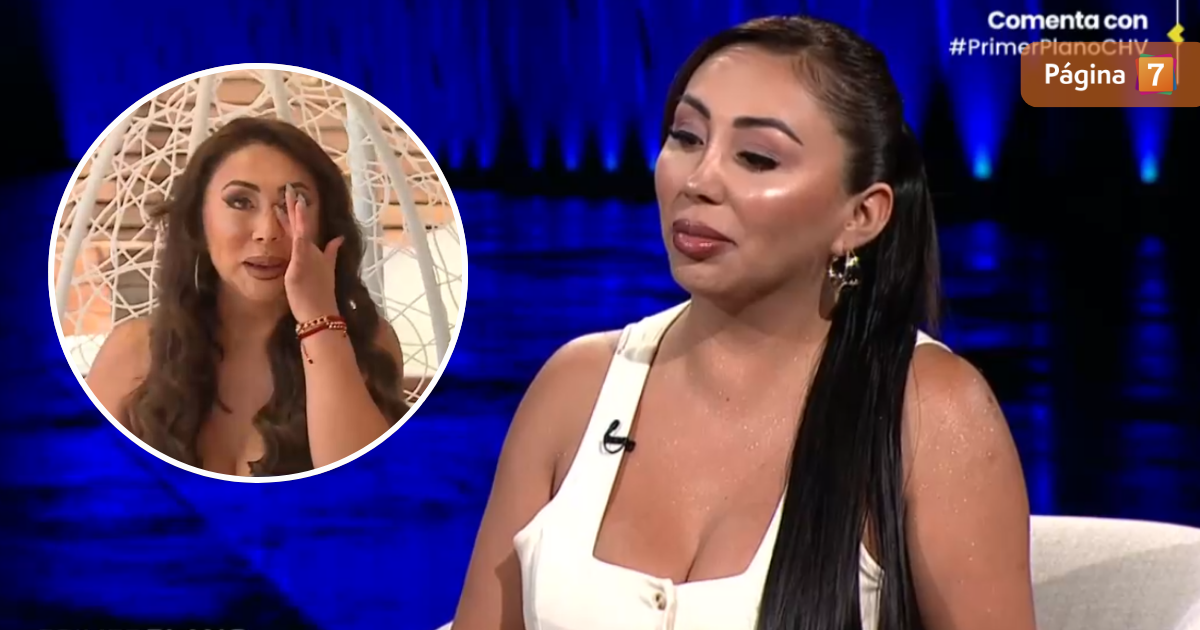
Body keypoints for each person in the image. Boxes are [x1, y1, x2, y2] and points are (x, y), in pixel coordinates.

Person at [452, 15, 1036, 630]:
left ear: (861, 216)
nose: (698, 181)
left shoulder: (929, 411)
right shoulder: (575, 388)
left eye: (756, 158)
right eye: (686, 137)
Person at [86, 117, 410, 477]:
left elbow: (364, 486)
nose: (267, 232)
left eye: (293, 203)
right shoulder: (132, 352)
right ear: (199, 220)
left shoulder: (366, 345)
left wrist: (317, 317)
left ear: (324, 225)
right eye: (240, 202)